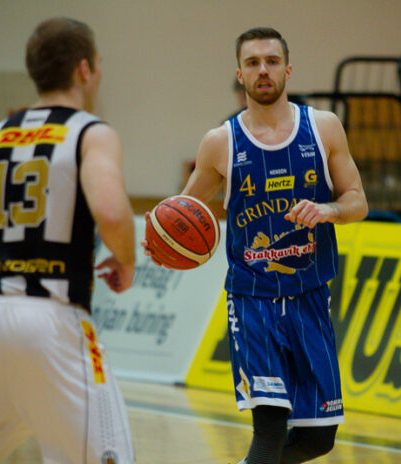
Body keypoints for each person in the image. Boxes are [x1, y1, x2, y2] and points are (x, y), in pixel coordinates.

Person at [145, 27, 367, 464]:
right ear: (240, 75)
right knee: (269, 428)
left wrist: (329, 210)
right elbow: (182, 213)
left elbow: (358, 201)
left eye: (271, 61)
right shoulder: (220, 142)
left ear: (288, 70)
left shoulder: (323, 128)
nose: (263, 70)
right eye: (252, 63)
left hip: (310, 295)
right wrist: (161, 240)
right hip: (253, 299)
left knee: (318, 440)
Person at [0, 18, 136, 463]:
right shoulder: (91, 132)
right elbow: (112, 212)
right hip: (55, 322)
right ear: (84, 69)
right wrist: (126, 259)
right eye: (98, 64)